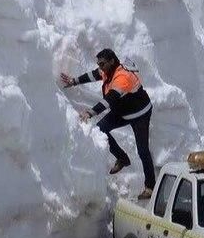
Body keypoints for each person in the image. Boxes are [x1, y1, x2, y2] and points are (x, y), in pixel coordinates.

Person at [60, 49, 156, 198]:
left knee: (143, 151)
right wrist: (74, 81)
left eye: (102, 64)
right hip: (123, 111)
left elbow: (109, 100)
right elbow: (93, 75)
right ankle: (122, 158)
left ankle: (150, 187)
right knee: (101, 130)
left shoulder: (122, 77)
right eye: (99, 64)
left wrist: (90, 112)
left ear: (112, 61)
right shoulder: (107, 70)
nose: (100, 67)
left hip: (140, 114)